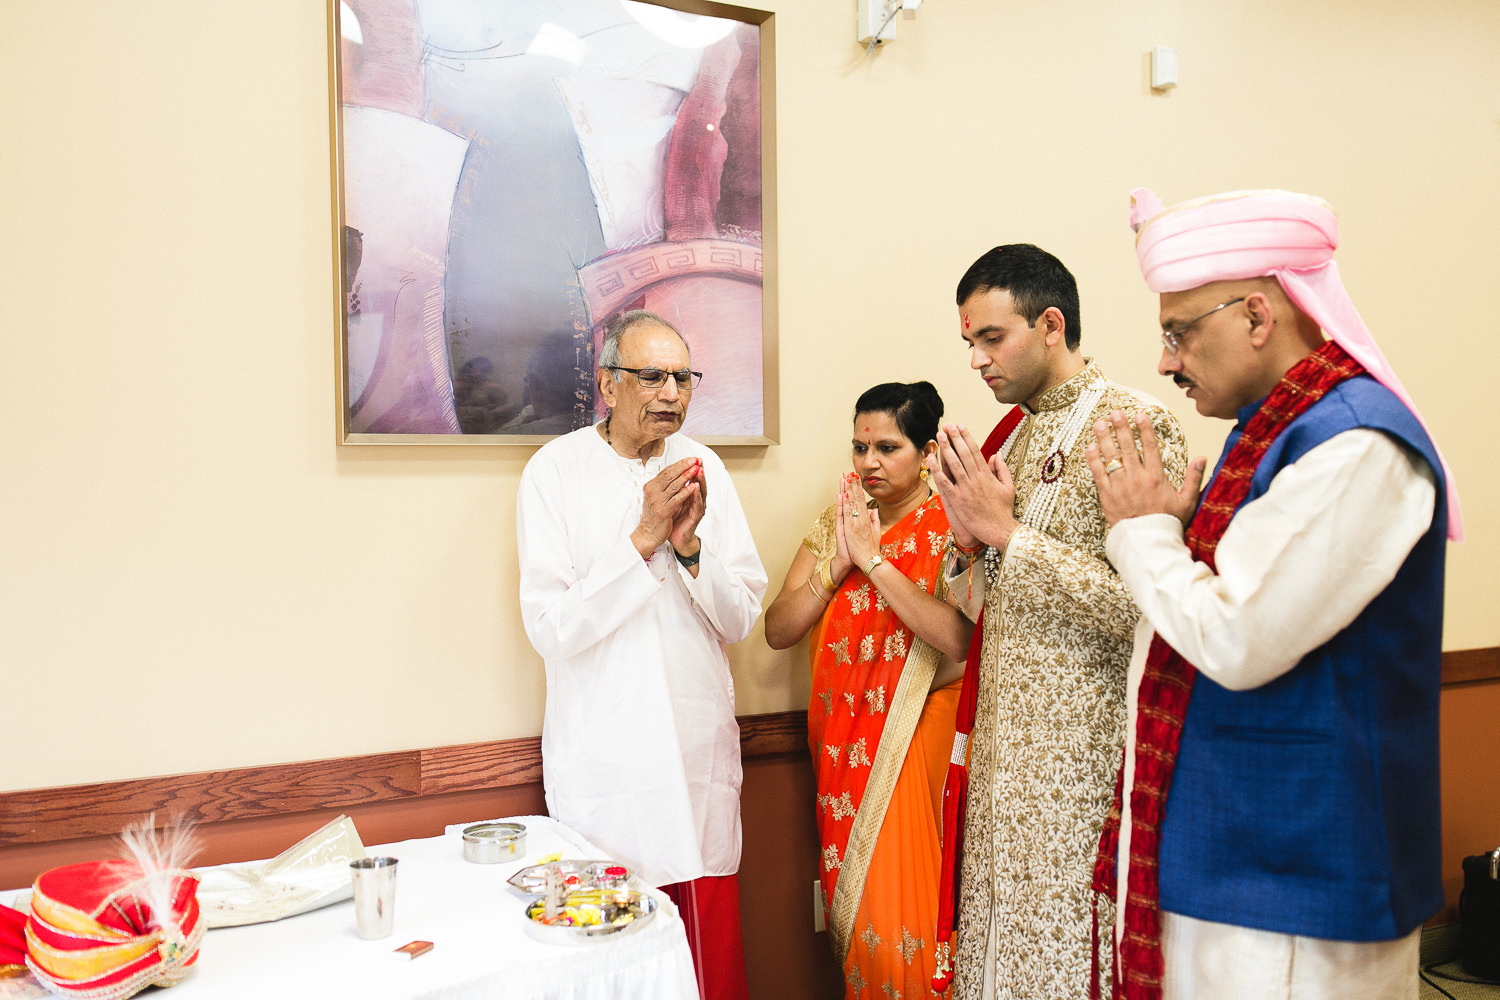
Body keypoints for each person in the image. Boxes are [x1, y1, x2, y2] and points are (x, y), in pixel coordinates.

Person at [1087, 188, 1463, 1000]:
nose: (1164, 361)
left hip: (1297, 882)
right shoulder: (1271, 432)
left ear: (1258, 316)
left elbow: (1238, 639)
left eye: (1177, 332)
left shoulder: (1355, 442)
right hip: (1234, 859)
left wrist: (1142, 533)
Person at [924, 244, 1189, 998]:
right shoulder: (1014, 435)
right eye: (969, 343)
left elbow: (1151, 609)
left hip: (1080, 781)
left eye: (991, 338)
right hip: (1003, 772)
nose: (977, 360)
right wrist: (970, 541)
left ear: (1049, 323)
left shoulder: (1132, 427)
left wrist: (1008, 534)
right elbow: (978, 611)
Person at [516, 309, 768, 1000]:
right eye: (651, 376)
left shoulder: (704, 466)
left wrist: (688, 548)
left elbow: (742, 614)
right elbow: (552, 628)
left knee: (707, 959)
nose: (671, 393)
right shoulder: (555, 472)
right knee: (617, 963)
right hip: (608, 767)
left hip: (695, 761)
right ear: (608, 384)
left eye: (683, 378)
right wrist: (646, 537)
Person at [764, 381, 974, 999]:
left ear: (928, 451)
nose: (869, 463)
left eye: (888, 447)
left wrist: (877, 564)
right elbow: (779, 629)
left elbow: (961, 640)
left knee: (905, 907)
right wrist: (840, 562)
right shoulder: (840, 520)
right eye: (859, 447)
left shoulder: (952, 527)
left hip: (915, 740)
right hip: (842, 748)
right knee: (860, 918)